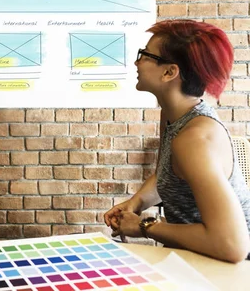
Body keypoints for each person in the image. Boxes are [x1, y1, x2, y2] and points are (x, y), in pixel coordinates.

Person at [104, 19, 250, 263]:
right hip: (193, 260)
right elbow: (167, 173)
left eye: (145, 55)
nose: (137, 62)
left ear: (169, 72)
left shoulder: (194, 139)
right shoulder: (174, 116)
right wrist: (136, 202)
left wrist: (144, 226)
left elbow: (233, 245)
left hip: (228, 272)